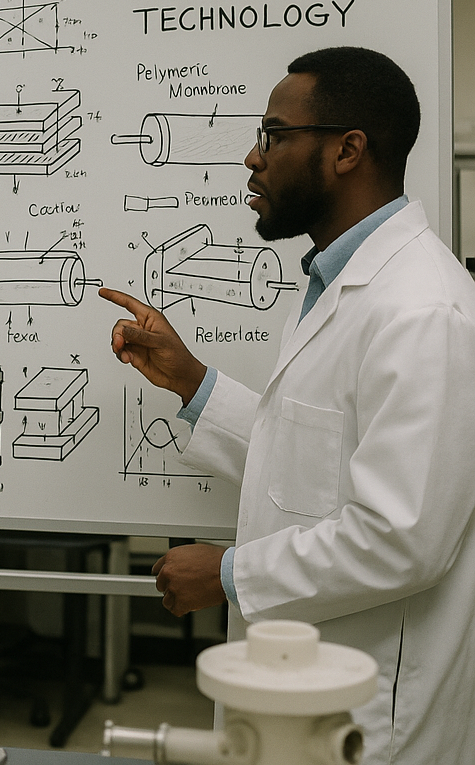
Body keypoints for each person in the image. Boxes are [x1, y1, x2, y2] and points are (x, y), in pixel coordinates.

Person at [100, 46, 475, 764]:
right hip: (304, 692)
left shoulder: (422, 310)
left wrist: (230, 575)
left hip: (373, 722)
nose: (252, 157)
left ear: (347, 151)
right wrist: (192, 383)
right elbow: (316, 467)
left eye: (273, 135)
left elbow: (402, 538)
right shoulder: (339, 285)